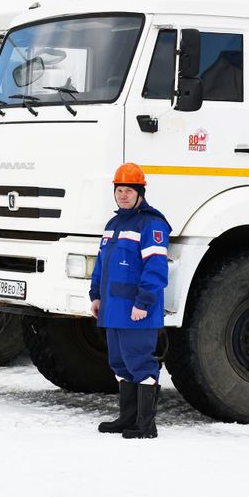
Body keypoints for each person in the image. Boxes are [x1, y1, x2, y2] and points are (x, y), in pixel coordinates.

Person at [90, 163, 171, 439]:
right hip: (113, 309)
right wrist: (96, 296)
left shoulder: (152, 223)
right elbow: (102, 264)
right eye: (119, 190)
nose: (123, 195)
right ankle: (127, 418)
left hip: (137, 310)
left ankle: (145, 425)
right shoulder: (113, 225)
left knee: (140, 364)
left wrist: (144, 303)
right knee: (120, 364)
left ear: (140, 192)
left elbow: (157, 268)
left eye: (128, 190)